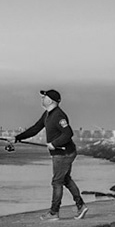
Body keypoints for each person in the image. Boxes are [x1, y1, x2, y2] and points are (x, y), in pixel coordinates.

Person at [13, 89, 87, 219]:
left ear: (51, 100)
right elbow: (35, 128)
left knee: (56, 182)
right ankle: (81, 206)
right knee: (65, 179)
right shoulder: (47, 115)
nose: (42, 99)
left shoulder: (59, 115)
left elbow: (68, 133)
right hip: (60, 153)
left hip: (63, 153)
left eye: (44, 97)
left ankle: (54, 213)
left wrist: (55, 143)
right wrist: (18, 138)